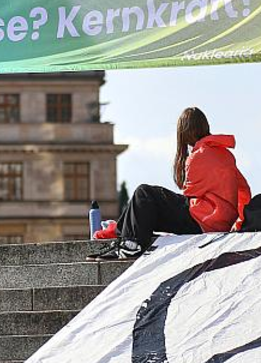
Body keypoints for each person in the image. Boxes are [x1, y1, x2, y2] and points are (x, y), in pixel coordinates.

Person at [88, 107, 250, 261]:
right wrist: (238, 221)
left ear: (185, 132)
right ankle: (120, 235)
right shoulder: (225, 154)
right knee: (146, 203)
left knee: (144, 193)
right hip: (219, 221)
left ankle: (131, 245)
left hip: (203, 220)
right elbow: (244, 189)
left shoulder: (198, 155)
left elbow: (190, 191)